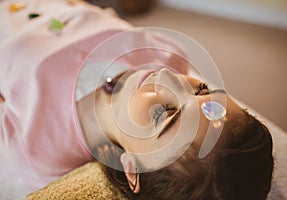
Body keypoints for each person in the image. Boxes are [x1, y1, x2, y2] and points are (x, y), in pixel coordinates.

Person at [0, 0, 273, 199]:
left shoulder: (37, 149)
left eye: (164, 114)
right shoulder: (168, 54)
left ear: (131, 169)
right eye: (202, 89)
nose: (167, 76)